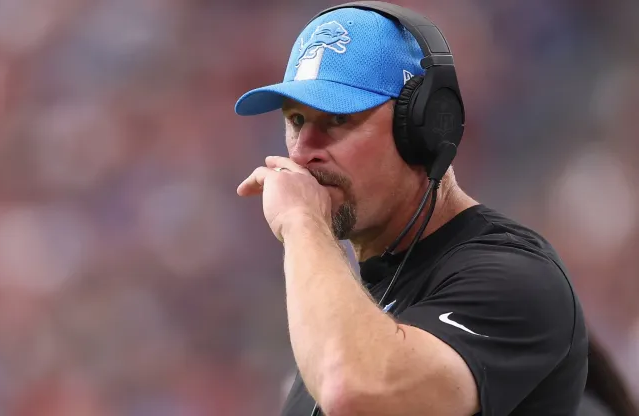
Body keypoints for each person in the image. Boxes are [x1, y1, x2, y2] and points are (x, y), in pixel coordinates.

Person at [234, 2, 589, 415]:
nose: (304, 152)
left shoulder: (514, 279)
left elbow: (356, 394)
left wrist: (301, 222)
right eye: (296, 120)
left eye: (336, 119)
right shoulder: (345, 309)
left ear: (423, 127)